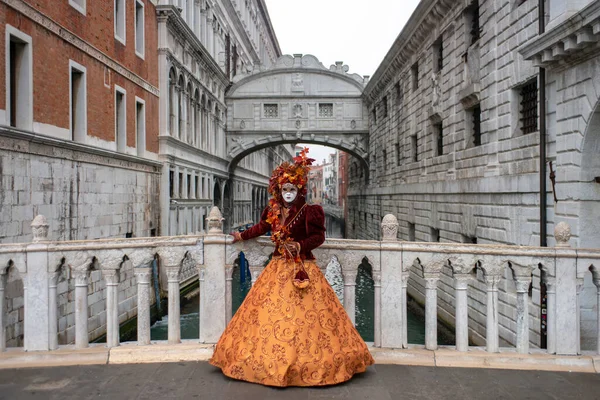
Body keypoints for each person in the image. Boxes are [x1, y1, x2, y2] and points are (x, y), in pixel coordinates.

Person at [209, 148, 374, 387]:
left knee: (311, 321)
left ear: (299, 190)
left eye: (292, 189)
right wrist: (240, 235)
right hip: (277, 267)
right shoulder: (272, 211)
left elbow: (319, 238)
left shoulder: (310, 212)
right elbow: (260, 229)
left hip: (302, 267)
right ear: (278, 190)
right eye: (284, 189)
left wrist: (299, 244)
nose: (288, 193)